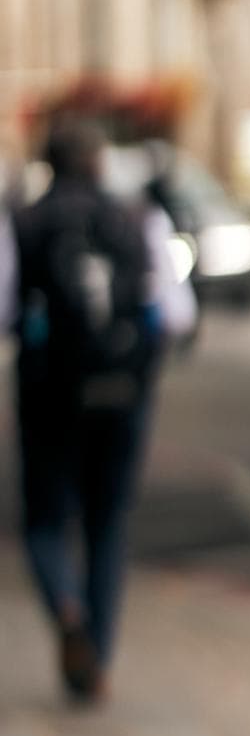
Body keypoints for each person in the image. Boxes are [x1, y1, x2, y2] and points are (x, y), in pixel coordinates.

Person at [9, 117, 168, 702]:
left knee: (46, 520)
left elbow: (5, 307)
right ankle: (96, 658)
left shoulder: (24, 220)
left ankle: (67, 611)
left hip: (49, 394)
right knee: (107, 522)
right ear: (100, 161)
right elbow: (173, 312)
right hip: (121, 393)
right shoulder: (137, 218)